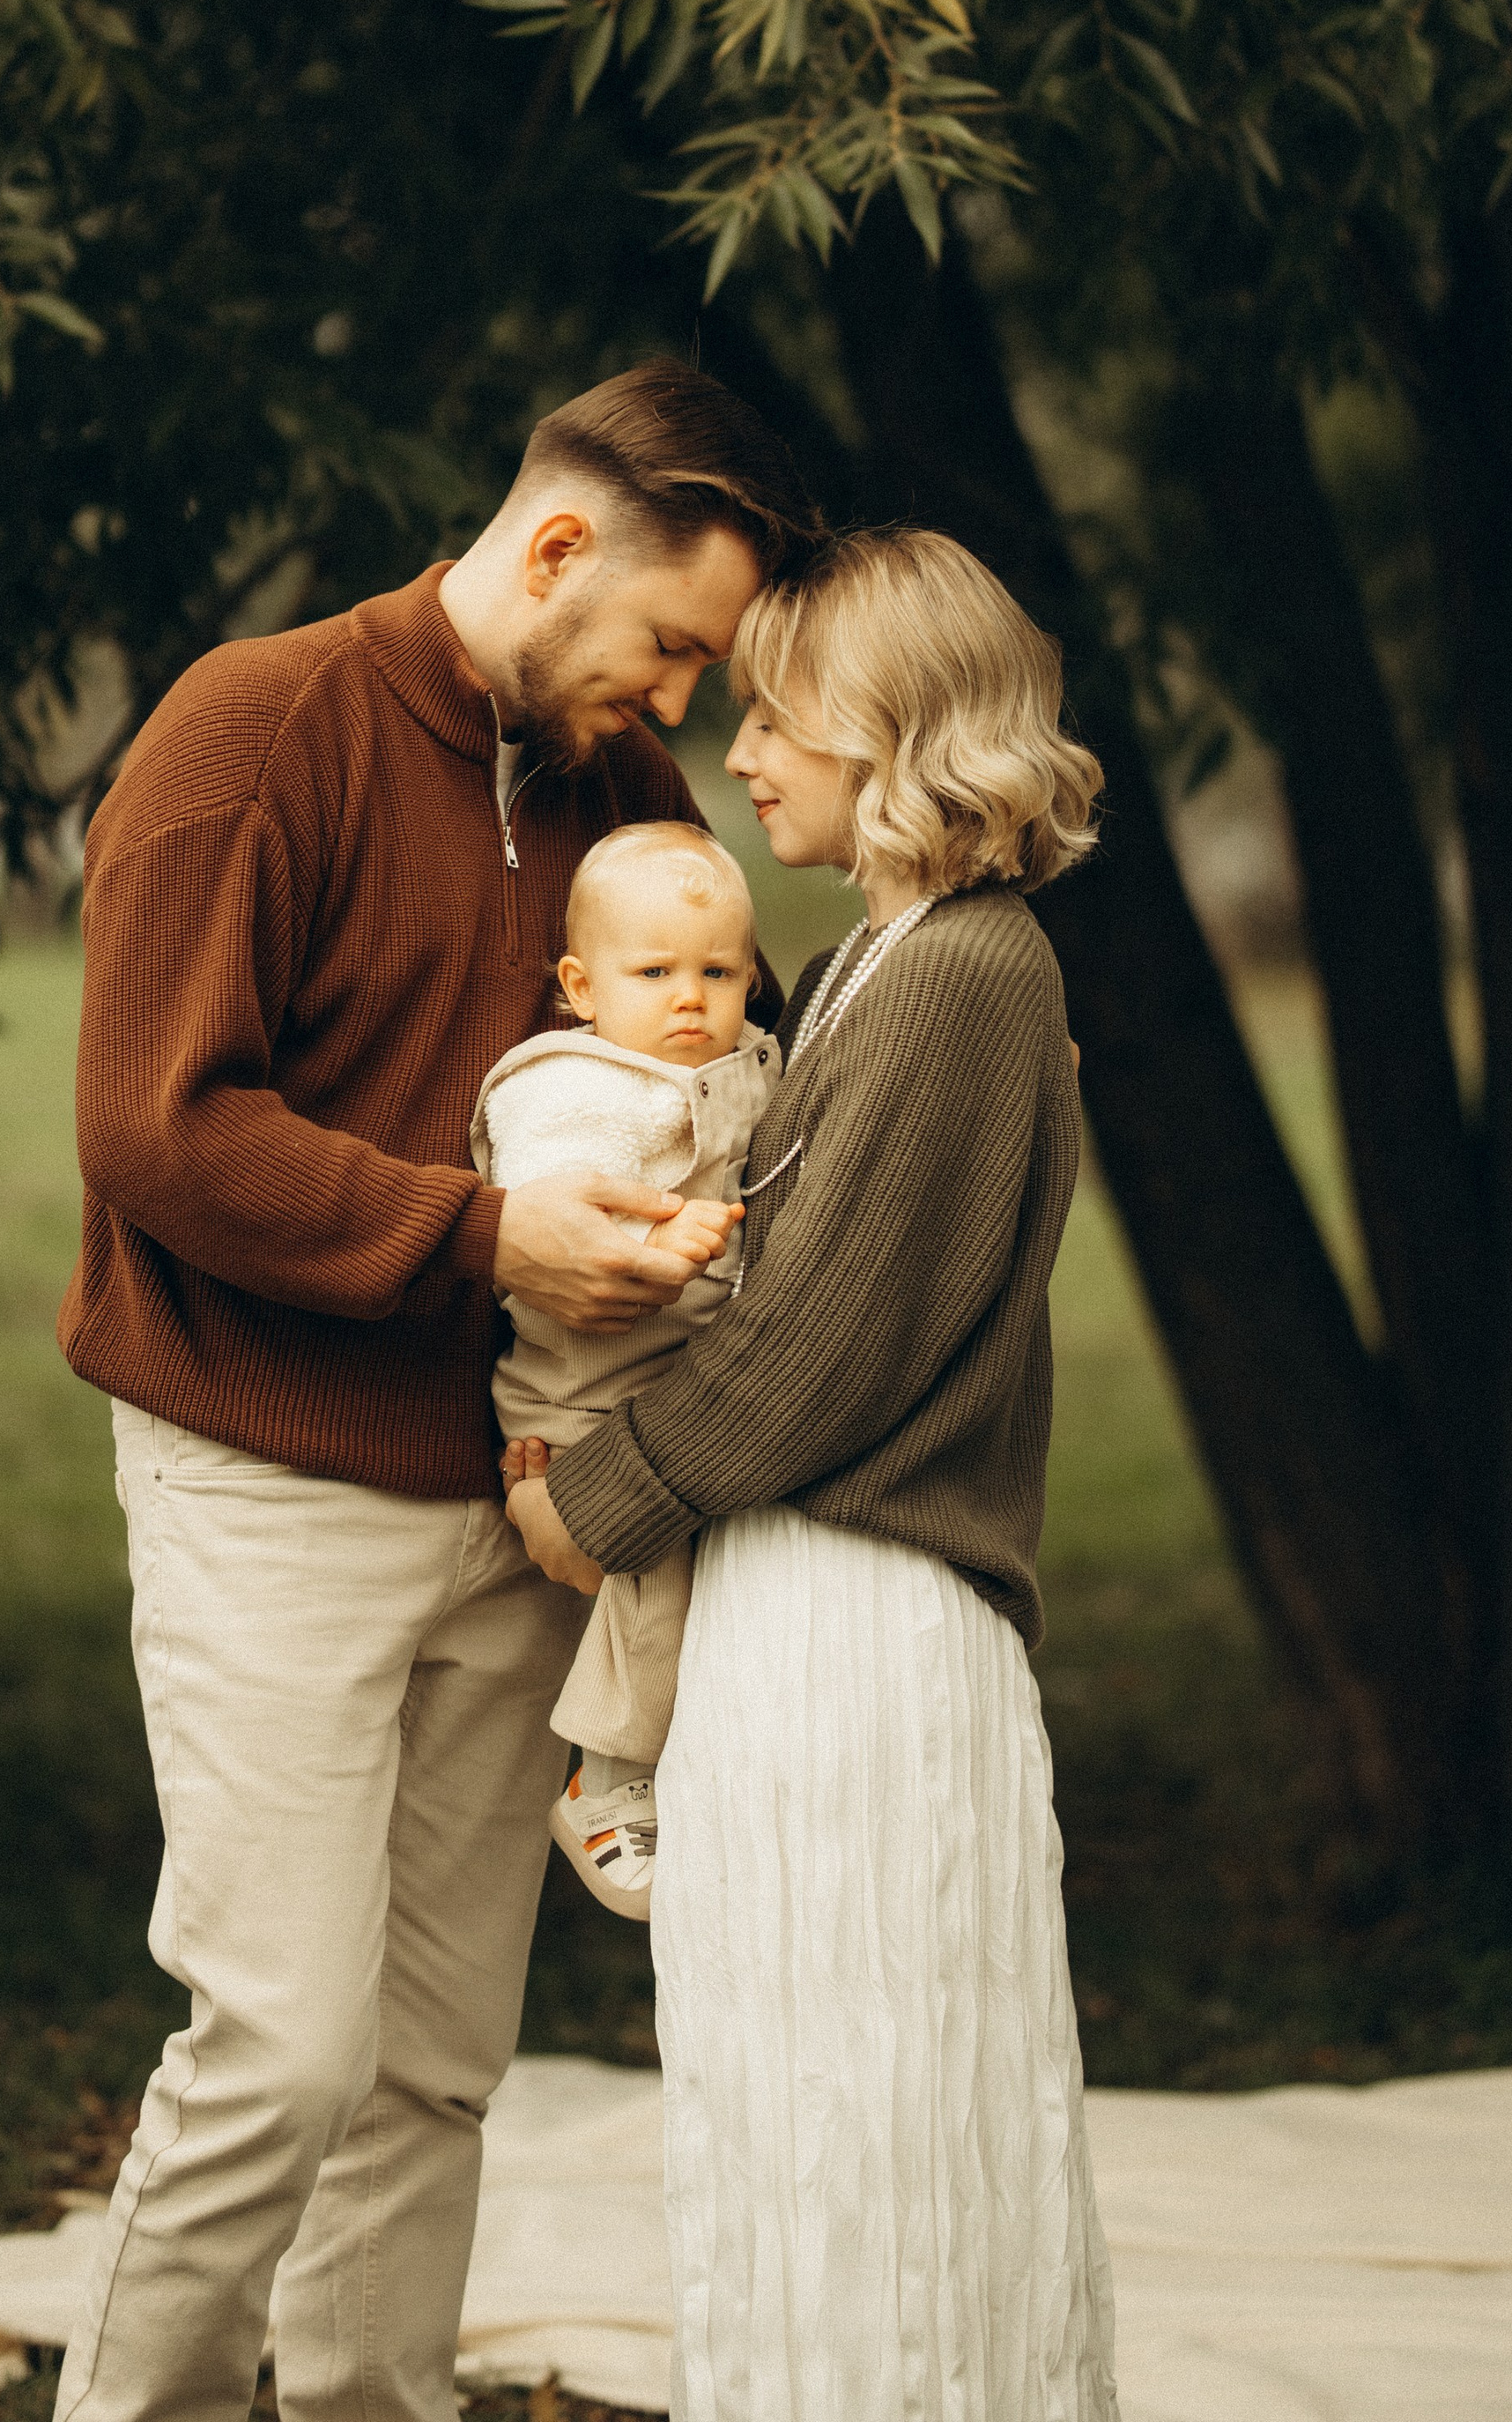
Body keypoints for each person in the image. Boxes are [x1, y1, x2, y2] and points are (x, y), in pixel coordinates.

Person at [49, 360, 815, 2422]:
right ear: (554, 547)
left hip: (514, 1495)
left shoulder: (619, 802)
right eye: (667, 644)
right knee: (278, 2042)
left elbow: (736, 1074)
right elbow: (156, 1127)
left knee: (429, 2060)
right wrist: (486, 1240)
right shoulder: (251, 730)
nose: (674, 704)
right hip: (259, 1472)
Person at [509, 524, 1125, 2422]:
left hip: (862, 1615)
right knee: (796, 2099)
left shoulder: (959, 977)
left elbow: (813, 1347)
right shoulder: (877, 957)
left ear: (884, 729)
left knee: (874, 2111)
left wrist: (587, 1501)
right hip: (797, 1608)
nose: (741, 753)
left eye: (778, 714)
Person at [471, 820, 779, 1918]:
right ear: (581, 985)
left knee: (698, 1567)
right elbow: (558, 1227)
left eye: (717, 972)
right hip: (580, 1395)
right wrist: (661, 1246)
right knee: (654, 1554)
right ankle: (605, 1778)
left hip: (672, 1382)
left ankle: (662, 1763)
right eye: (654, 973)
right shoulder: (574, 1088)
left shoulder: (745, 1066)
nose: (689, 999)